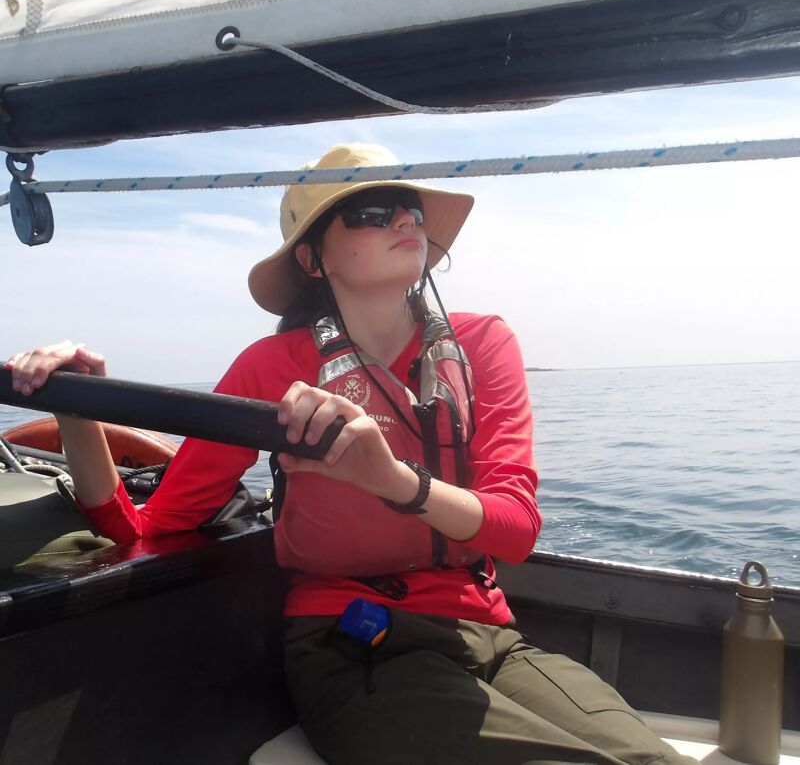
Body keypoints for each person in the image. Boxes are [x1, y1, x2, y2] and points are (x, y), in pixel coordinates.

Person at [7, 143, 695, 765]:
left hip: (487, 634)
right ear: (315, 258)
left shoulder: (485, 343)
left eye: (411, 208)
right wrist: (79, 409)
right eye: (372, 210)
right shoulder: (269, 366)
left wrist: (392, 479)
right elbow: (147, 529)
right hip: (353, 644)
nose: (405, 221)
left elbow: (514, 529)